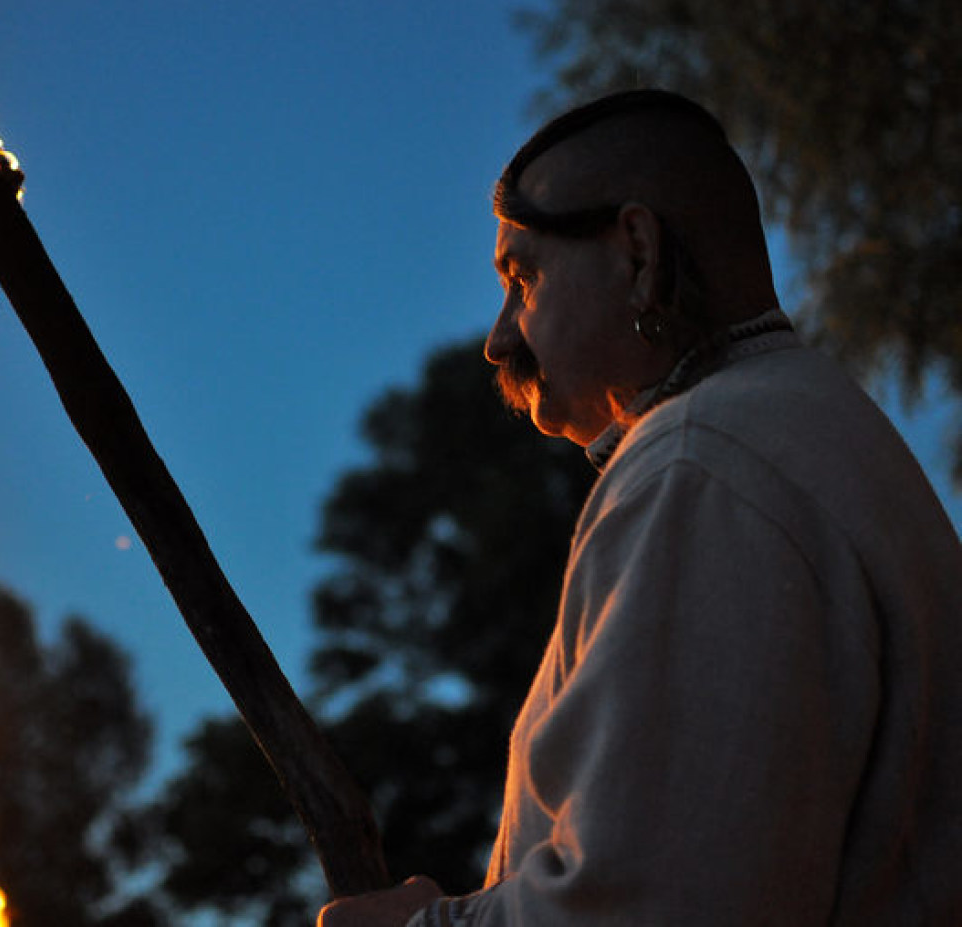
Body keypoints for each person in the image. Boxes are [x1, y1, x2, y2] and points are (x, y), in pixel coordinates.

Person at [319, 89, 962, 926]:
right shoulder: (800, 434)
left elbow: (657, 902)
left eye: (525, 277)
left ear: (637, 253)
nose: (500, 336)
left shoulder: (702, 463)